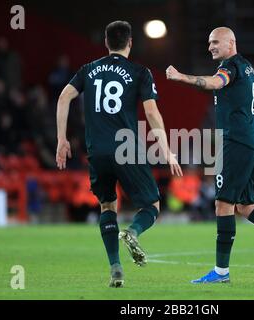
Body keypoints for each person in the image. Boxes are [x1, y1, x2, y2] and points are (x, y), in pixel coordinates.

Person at [166, 27, 254, 283]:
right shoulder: (247, 66)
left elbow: (215, 82)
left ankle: (221, 273)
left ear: (231, 43)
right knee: (246, 206)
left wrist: (182, 77)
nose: (211, 47)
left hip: (238, 143)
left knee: (223, 204)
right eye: (209, 43)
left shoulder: (230, 66)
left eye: (216, 42)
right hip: (250, 141)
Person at [56, 21, 182, 288]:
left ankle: (115, 267)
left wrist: (61, 140)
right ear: (130, 43)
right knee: (151, 206)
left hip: (97, 150)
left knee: (107, 205)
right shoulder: (140, 72)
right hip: (126, 148)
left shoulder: (88, 70)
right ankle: (133, 233)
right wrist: (167, 150)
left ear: (106, 42)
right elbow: (150, 113)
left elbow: (64, 97)